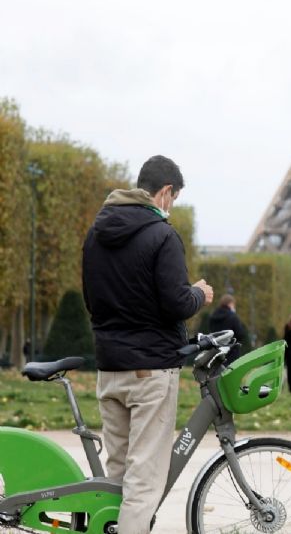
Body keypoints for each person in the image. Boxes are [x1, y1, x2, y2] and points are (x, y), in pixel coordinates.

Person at [82, 155, 213, 534]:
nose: (171, 208)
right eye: (174, 198)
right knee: (144, 481)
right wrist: (197, 294)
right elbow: (175, 303)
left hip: (109, 368)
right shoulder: (163, 235)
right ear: (166, 192)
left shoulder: (96, 233)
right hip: (150, 371)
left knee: (118, 475)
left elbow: (92, 300)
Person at [208, 294, 249, 365]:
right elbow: (240, 334)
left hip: (216, 350)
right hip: (231, 351)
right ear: (230, 304)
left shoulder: (213, 316)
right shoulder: (232, 317)